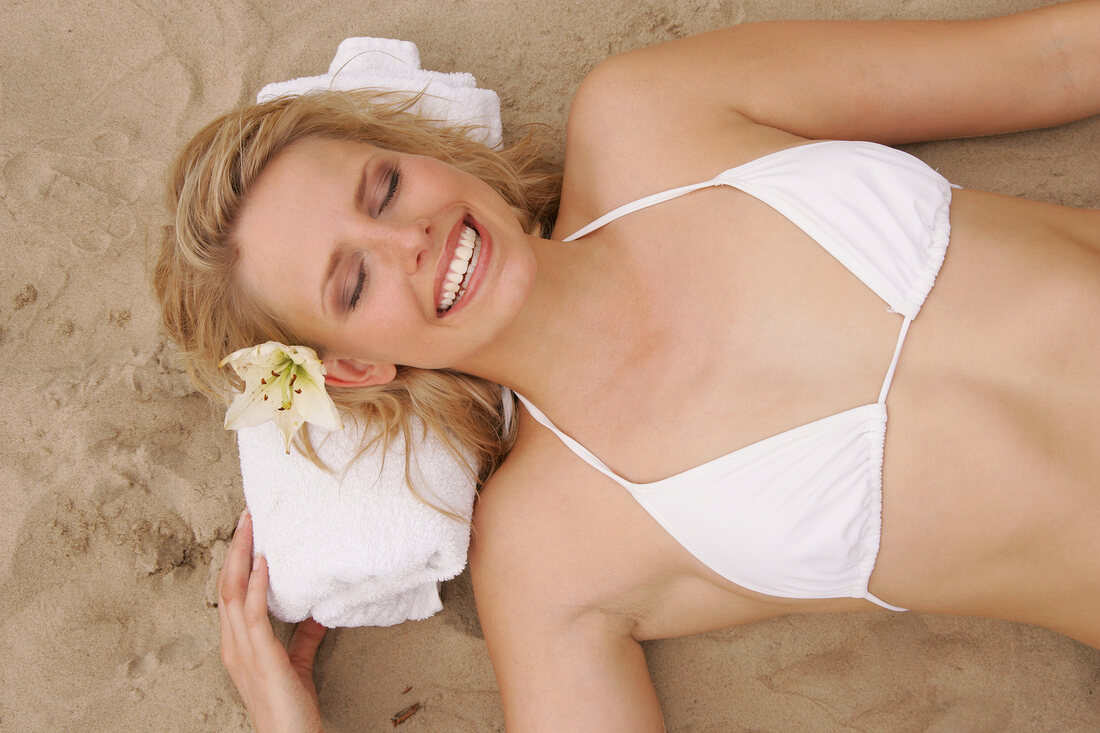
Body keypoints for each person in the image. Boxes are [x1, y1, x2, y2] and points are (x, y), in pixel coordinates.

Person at [156, 1, 1100, 730]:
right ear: (356, 367)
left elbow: (1052, 58)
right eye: (353, 281)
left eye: (385, 185)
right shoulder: (548, 554)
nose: (410, 236)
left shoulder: (649, 115)